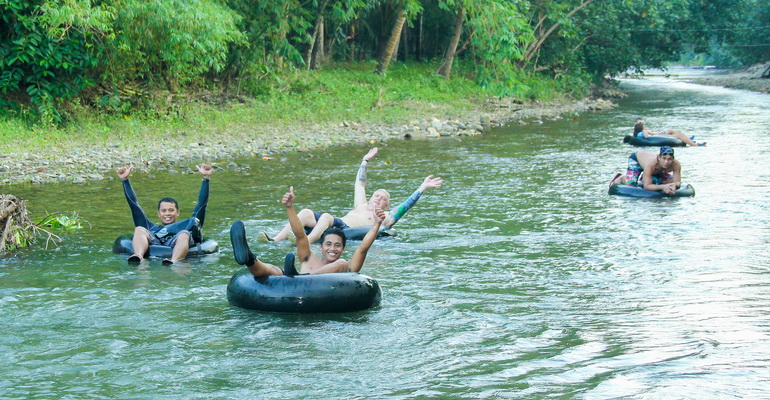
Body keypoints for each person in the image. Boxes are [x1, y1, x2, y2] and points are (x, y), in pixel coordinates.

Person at [261, 147, 443, 243]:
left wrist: (422, 188)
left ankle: (305, 241)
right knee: (306, 212)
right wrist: (364, 161)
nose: (378, 198)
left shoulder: (385, 217)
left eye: (383, 199)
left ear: (386, 205)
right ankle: (275, 240)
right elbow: (360, 183)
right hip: (335, 222)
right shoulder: (361, 205)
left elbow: (406, 206)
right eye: (376, 196)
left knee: (325, 216)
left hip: (345, 228)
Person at [230, 186, 385, 277]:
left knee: (341, 264)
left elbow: (363, 248)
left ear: (343, 249)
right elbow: (299, 234)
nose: (332, 248)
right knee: (273, 270)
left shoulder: (347, 267)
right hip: (292, 286)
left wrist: (377, 224)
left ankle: (302, 278)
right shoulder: (308, 258)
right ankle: (248, 257)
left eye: (337, 245)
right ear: (320, 246)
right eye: (328, 244)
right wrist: (290, 208)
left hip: (304, 282)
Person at [117, 164, 212, 265]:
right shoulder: (150, 227)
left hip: (177, 242)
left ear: (178, 212)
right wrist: (125, 180)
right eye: (164, 210)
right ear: (158, 213)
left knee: (184, 234)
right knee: (139, 229)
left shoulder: (187, 226)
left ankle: (174, 260)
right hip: (154, 241)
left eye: (171, 210)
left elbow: (202, 204)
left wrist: (206, 178)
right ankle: (138, 256)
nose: (167, 213)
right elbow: (133, 204)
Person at [611, 146, 682, 195]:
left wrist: (672, 185)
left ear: (673, 159)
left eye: (669, 159)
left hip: (656, 170)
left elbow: (678, 182)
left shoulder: (676, 164)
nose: (666, 162)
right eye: (664, 158)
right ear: (659, 157)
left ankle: (646, 176)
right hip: (636, 160)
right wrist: (663, 187)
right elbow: (647, 186)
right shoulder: (651, 164)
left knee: (668, 181)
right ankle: (622, 178)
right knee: (630, 184)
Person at [632, 118, 706, 146]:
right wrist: (645, 130)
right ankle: (694, 145)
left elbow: (650, 134)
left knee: (672, 131)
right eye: (642, 124)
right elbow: (646, 136)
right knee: (679, 134)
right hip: (659, 138)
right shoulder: (641, 133)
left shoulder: (640, 133)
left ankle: (687, 139)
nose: (644, 125)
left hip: (658, 136)